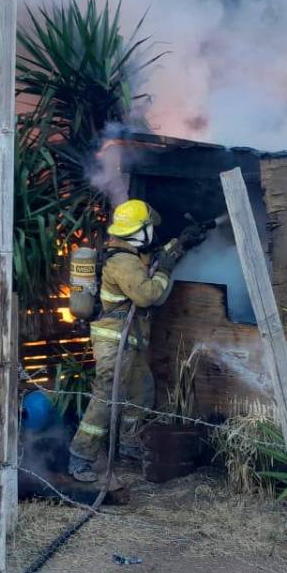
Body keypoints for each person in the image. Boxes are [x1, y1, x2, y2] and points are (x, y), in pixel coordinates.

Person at [67, 199, 193, 482]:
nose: (152, 232)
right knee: (106, 397)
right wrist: (166, 270)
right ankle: (81, 458)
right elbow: (149, 294)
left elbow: (152, 261)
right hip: (114, 342)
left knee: (141, 392)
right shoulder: (123, 262)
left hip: (129, 340)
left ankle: (128, 443)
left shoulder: (128, 254)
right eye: (149, 228)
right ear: (140, 231)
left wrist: (179, 244)